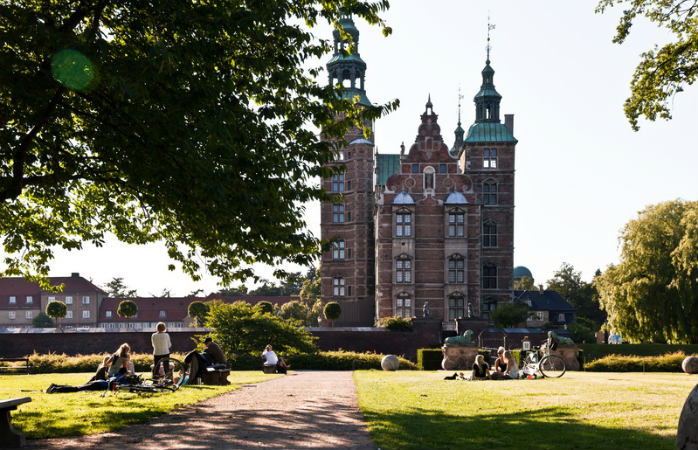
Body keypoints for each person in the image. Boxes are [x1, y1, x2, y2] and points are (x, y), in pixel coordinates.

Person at [47, 356, 112, 393]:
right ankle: (56, 389)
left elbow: (95, 377)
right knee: (76, 389)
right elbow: (102, 379)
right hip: (95, 384)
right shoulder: (104, 368)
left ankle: (55, 386)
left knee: (76, 387)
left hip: (93, 383)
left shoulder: (100, 366)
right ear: (108, 362)